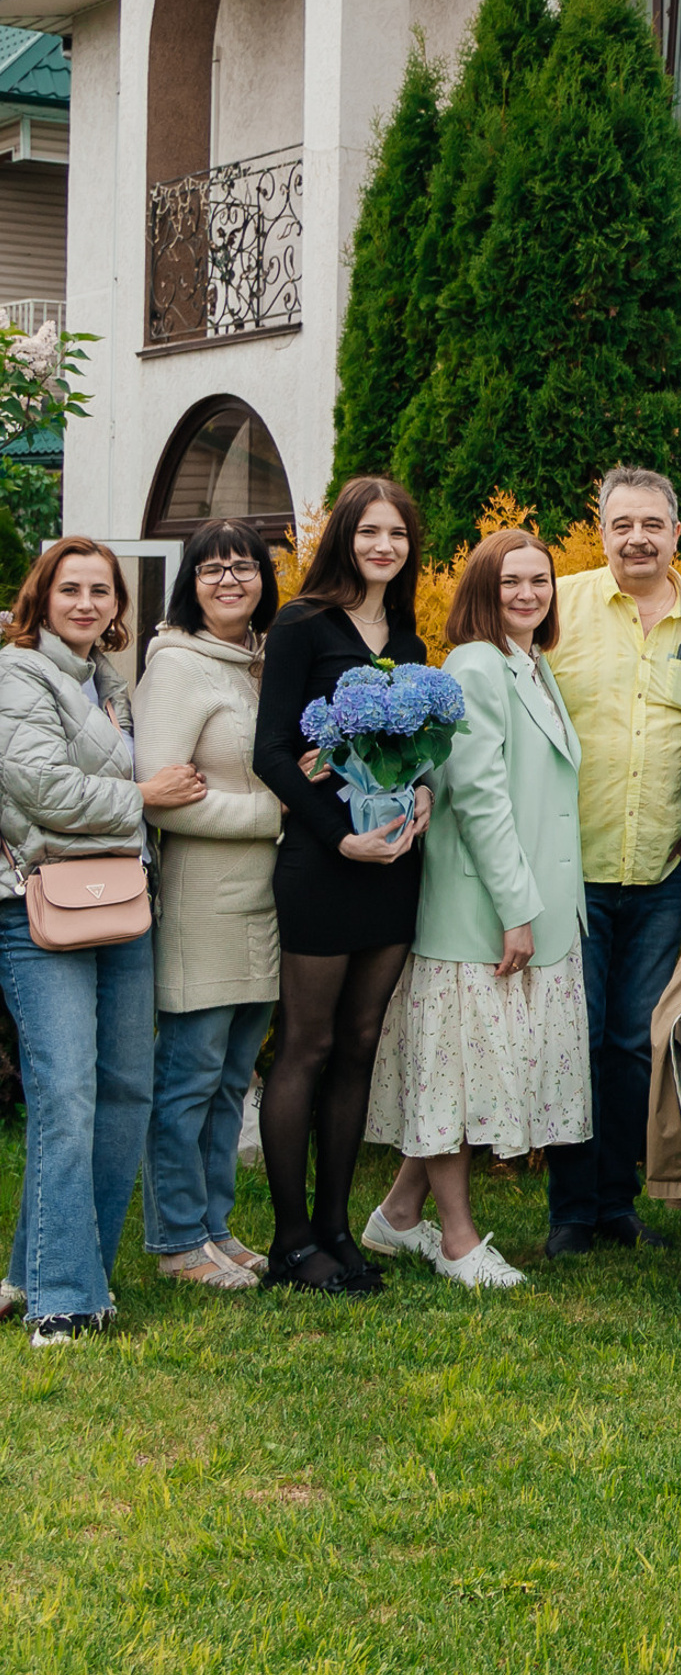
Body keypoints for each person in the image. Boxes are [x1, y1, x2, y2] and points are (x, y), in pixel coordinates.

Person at [362, 529, 589, 1290]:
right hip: (482, 914)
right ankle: (457, 1242)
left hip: (538, 909)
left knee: (464, 1079)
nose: (527, 594)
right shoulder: (474, 665)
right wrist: (516, 908)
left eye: (540, 581)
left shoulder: (529, 662)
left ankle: (396, 1217)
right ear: (481, 592)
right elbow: (481, 797)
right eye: (509, 582)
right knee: (455, 1083)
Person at [0, 540, 205, 1344]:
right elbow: (38, 787)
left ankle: (35, 1270)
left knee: (125, 1092)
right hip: (36, 905)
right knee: (66, 1094)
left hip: (120, 901)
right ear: (42, 596)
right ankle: (66, 1299)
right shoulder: (16, 672)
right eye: (70, 588)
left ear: (118, 605)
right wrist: (142, 798)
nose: (85, 603)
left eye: (101, 591)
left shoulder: (110, 684)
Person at [251, 478, 434, 1296]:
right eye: (369, 533)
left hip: (393, 866)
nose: (383, 547)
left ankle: (334, 1228)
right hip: (325, 864)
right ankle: (291, 1243)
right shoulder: (301, 624)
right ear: (344, 540)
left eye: (396, 534)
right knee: (308, 1045)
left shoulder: (405, 631)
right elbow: (270, 752)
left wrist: (423, 789)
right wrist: (339, 836)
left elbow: (420, 745)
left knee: (361, 1044)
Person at [545, 465, 681, 1260]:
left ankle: (616, 1204)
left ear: (676, 534)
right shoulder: (562, 605)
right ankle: (569, 1210)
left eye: (652, 524)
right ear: (602, 528)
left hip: (657, 867)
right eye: (622, 524)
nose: (637, 538)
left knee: (633, 1040)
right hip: (569, 865)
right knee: (573, 1037)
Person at [135, 521, 280, 1291]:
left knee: (231, 1079)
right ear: (190, 581)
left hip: (261, 902)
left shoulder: (257, 662)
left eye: (245, 566)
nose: (230, 579)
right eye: (213, 568)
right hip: (203, 902)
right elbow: (163, 800)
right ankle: (175, 1241)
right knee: (188, 1076)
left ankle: (216, 1228)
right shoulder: (179, 666)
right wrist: (272, 816)